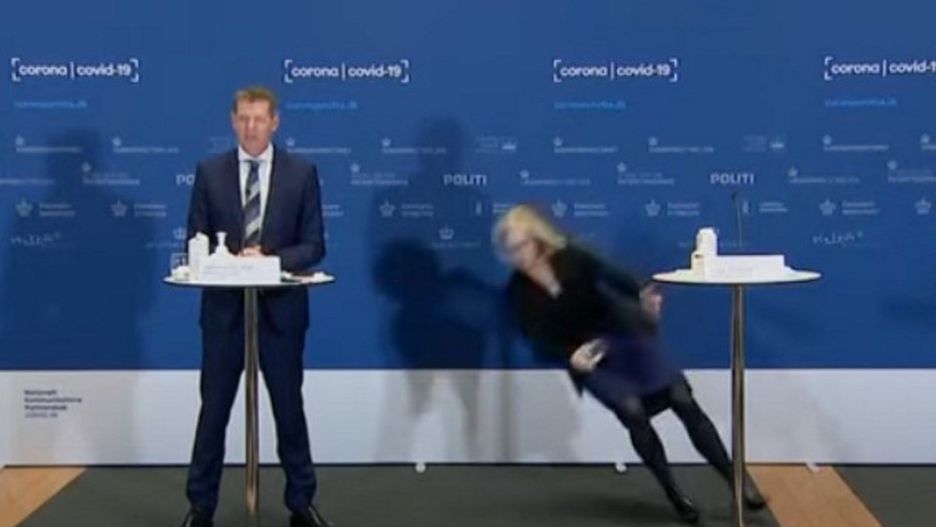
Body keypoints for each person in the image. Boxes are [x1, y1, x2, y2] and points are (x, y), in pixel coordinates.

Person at [494, 204, 765, 524]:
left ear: (537, 239)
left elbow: (617, 276)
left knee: (682, 399)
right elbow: (536, 340)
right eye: (510, 250)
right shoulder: (518, 292)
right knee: (633, 413)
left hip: (624, 336)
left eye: (521, 245)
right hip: (590, 359)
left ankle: (737, 482)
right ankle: (675, 495)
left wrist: (645, 295)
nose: (517, 255)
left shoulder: (572, 257)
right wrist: (570, 356)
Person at [181, 87, 331, 527]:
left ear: (274, 122)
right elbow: (195, 239)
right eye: (243, 119)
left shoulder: (301, 173)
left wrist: (270, 260)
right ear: (233, 121)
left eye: (259, 119)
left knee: (288, 410)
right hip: (224, 313)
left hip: (281, 312)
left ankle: (301, 503)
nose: (251, 128)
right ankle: (200, 506)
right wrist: (226, 261)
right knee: (213, 411)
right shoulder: (210, 172)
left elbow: (314, 246)